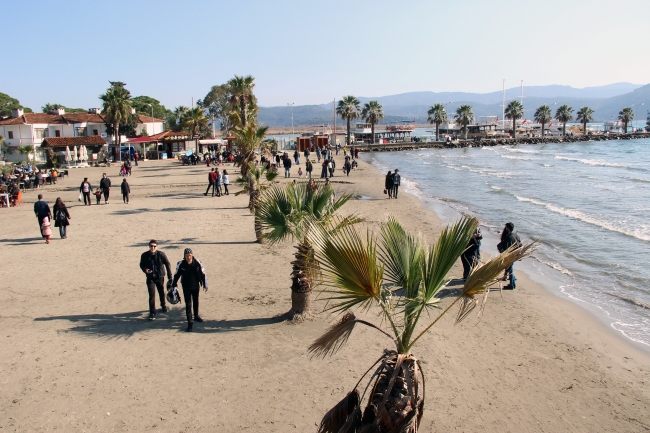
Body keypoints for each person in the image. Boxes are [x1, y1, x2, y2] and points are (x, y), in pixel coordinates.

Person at [171, 248, 208, 332]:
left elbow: (203, 273)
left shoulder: (197, 263)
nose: (189, 257)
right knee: (188, 304)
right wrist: (173, 285)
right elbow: (176, 275)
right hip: (186, 287)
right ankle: (190, 323)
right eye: (187, 256)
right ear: (184, 256)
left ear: (192, 255)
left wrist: (205, 284)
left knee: (196, 301)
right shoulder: (181, 264)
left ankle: (196, 316)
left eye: (190, 255)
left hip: (196, 286)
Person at [139, 239, 173, 321]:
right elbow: (141, 264)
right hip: (150, 278)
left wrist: (170, 277)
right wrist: (145, 270)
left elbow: (167, 264)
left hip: (160, 277)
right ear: (149, 246)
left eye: (154, 246)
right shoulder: (144, 255)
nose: (152, 248)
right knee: (151, 295)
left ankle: (163, 305)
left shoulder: (161, 254)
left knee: (161, 292)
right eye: (151, 246)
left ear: (156, 247)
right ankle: (152, 312)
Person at [497, 222, 522, 290]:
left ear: (507, 228)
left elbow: (507, 248)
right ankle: (512, 283)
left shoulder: (508, 237)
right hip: (515, 254)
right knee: (510, 269)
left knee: (510, 270)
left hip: (509, 255)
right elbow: (520, 245)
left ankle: (512, 284)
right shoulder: (516, 235)